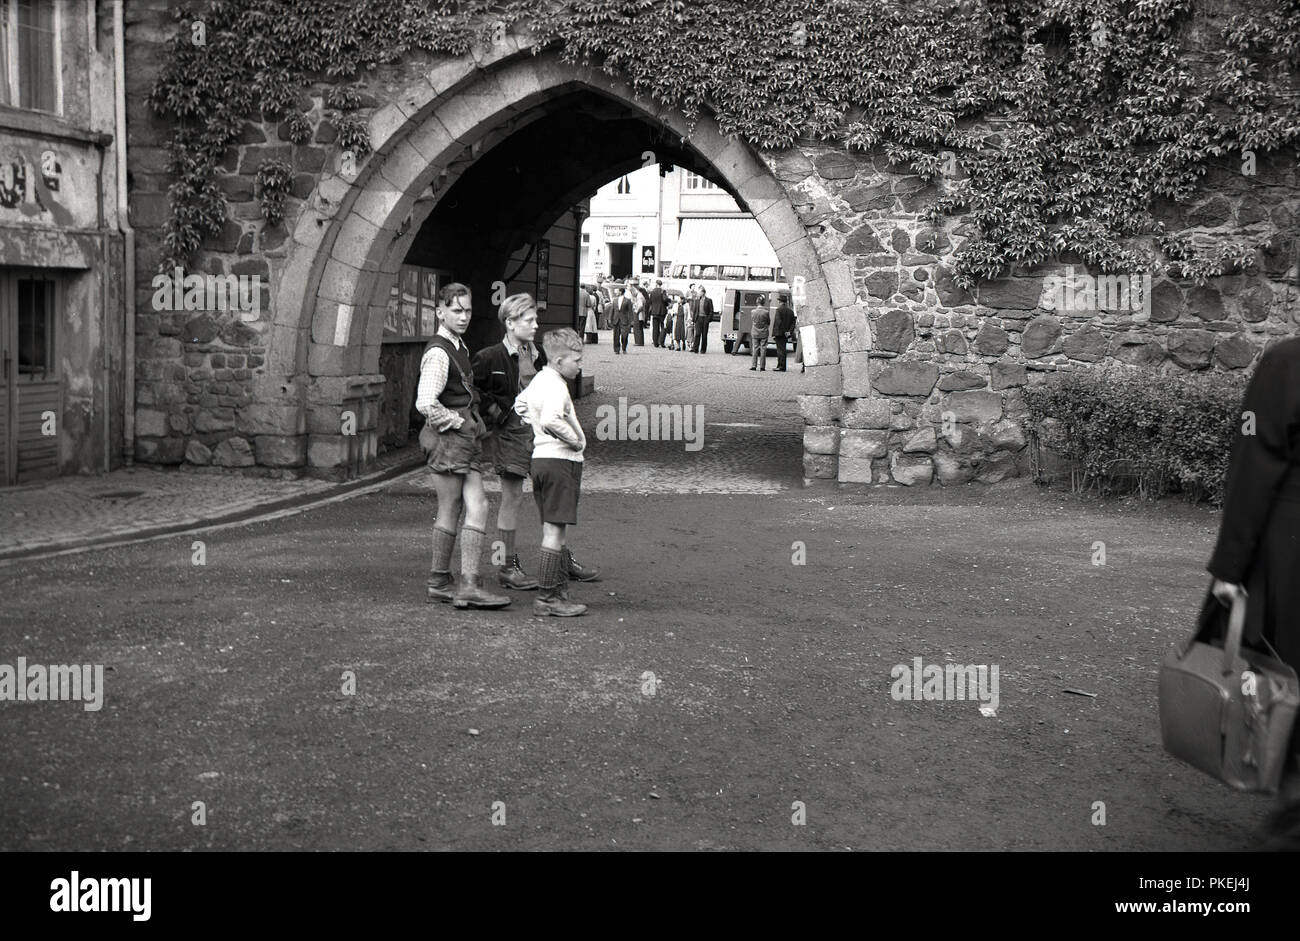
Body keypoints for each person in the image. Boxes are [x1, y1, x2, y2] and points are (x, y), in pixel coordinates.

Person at [1206, 336, 1300, 807]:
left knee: (1286, 683)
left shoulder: (1288, 361)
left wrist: (1230, 567)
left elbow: (1253, 466)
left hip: (1289, 553)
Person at [416, 283, 511, 610]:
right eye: (456, 310)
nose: (463, 316)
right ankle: (464, 584)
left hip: (460, 441)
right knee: (472, 505)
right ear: (439, 311)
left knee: (457, 507)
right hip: (448, 440)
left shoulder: (458, 346)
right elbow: (426, 402)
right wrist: (458, 422)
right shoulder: (440, 352)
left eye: (467, 310)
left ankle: (441, 581)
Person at [514, 327, 600, 617]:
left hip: (542, 460)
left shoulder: (540, 379)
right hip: (559, 461)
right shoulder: (556, 385)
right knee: (554, 532)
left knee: (553, 529)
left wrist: (536, 424)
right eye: (576, 359)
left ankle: (557, 592)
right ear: (560, 360)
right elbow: (552, 418)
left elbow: (520, 405)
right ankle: (548, 598)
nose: (580, 364)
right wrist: (574, 440)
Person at [471, 293, 547, 593]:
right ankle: (506, 566)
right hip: (510, 433)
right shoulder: (490, 356)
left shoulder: (537, 353)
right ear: (510, 323)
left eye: (535, 320)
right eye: (529, 321)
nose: (535, 325)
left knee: (549, 493)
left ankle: (560, 557)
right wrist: (497, 412)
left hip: (540, 433)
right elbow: (473, 388)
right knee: (512, 497)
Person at [771, 293, 794, 372]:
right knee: (783, 349)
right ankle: (783, 366)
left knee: (780, 350)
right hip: (786, 334)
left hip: (780, 333)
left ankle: (780, 366)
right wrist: (789, 332)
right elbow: (793, 323)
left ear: (780, 302)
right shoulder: (791, 311)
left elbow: (778, 322)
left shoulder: (778, 310)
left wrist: (784, 331)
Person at [748, 295, 771, 371]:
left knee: (755, 349)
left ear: (757, 303)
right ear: (763, 303)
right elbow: (768, 322)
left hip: (755, 332)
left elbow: (752, 321)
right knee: (763, 349)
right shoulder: (766, 312)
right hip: (764, 332)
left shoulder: (753, 312)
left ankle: (754, 365)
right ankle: (762, 366)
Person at [691, 285, 713, 354]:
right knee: (697, 334)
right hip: (698, 318)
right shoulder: (697, 301)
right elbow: (694, 311)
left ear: (703, 293)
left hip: (705, 318)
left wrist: (708, 319)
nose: (699, 293)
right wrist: (693, 320)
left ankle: (703, 349)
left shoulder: (708, 300)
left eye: (700, 292)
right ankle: (695, 348)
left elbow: (711, 311)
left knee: (704, 335)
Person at [611, 286, 633, 354]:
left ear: (620, 292)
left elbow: (630, 311)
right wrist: (610, 318)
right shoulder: (614, 300)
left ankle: (624, 348)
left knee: (624, 335)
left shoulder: (628, 300)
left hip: (624, 320)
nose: (616, 292)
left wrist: (631, 321)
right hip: (616, 319)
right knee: (616, 335)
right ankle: (616, 349)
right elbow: (612, 310)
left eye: (617, 291)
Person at [648, 279, 668, 348]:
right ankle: (661, 341)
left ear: (656, 284)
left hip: (654, 312)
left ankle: (655, 342)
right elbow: (665, 299)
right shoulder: (663, 291)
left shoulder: (652, 292)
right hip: (662, 311)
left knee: (655, 328)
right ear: (661, 285)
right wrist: (668, 301)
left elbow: (650, 301)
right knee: (663, 327)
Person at [630, 279, 647, 346]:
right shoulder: (640, 295)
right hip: (640, 315)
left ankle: (638, 342)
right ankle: (640, 341)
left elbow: (640, 306)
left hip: (639, 315)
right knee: (639, 328)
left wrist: (636, 311)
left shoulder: (639, 296)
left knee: (638, 328)